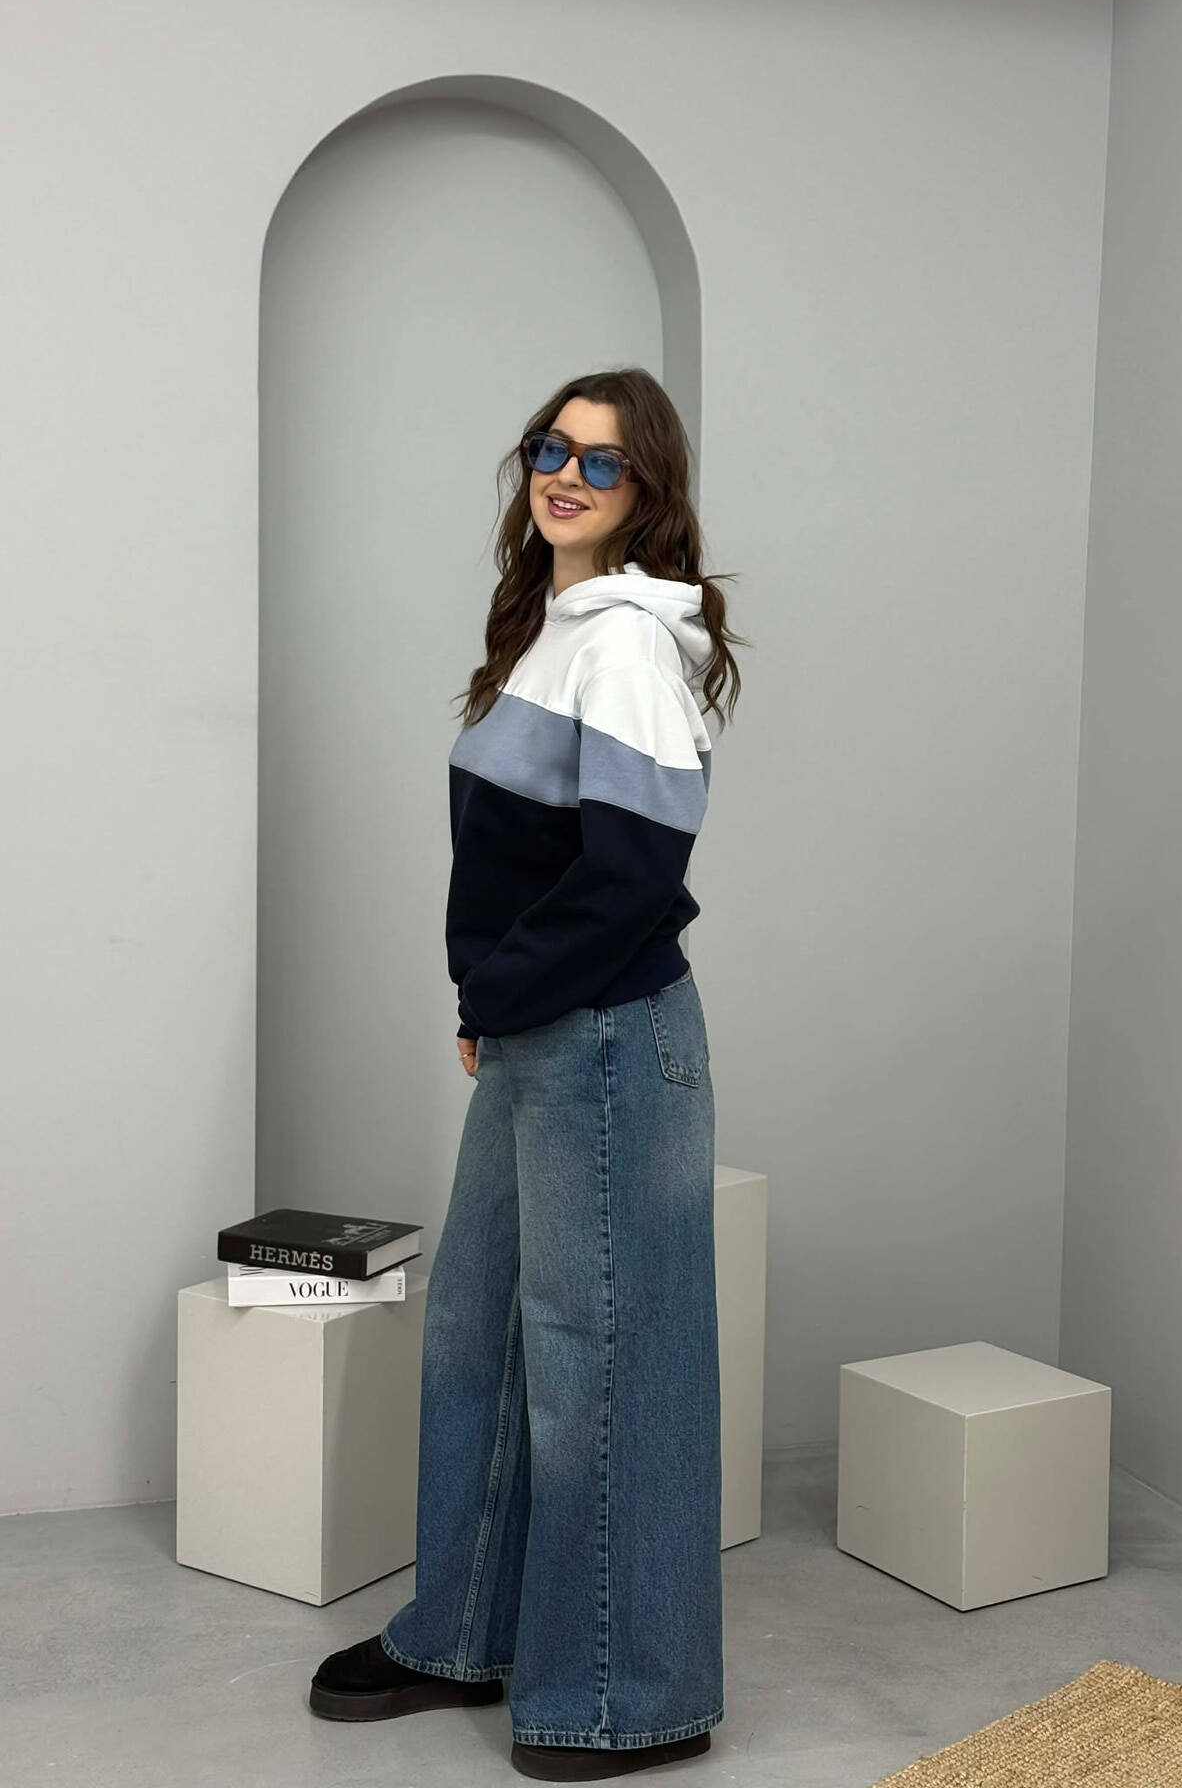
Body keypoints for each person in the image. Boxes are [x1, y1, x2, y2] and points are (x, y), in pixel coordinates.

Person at [308, 367, 746, 1781]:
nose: (566, 474)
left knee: (597, 1364)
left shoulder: (626, 645)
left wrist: (497, 994)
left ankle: (624, 1696)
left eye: (601, 462)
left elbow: (632, 878)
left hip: (605, 1039)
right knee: (480, 1341)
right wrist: (490, 1005)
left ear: (647, 489)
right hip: (539, 1033)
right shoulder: (552, 629)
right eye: (552, 449)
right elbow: (531, 865)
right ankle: (465, 1634)